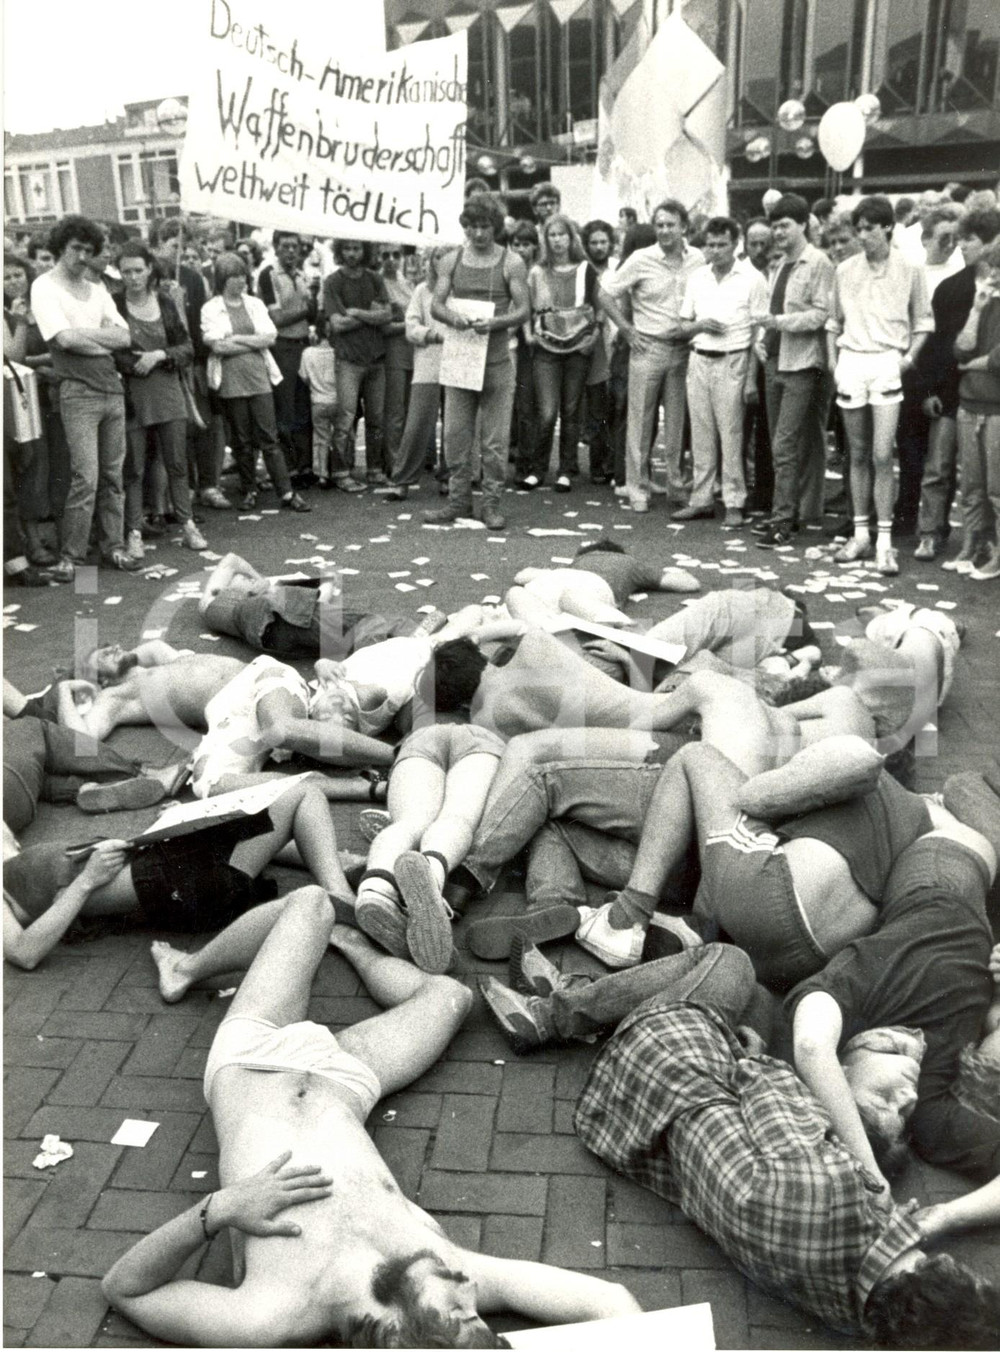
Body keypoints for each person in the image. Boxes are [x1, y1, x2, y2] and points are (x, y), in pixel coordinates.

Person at [102, 886, 641, 1346]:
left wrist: (217, 1210)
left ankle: (186, 967)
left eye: (459, 1315)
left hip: (254, 1058)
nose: (471, 1295)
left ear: (405, 1337)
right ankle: (358, 947)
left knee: (310, 903)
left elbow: (127, 1288)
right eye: (477, 1313)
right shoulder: (453, 1270)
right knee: (450, 995)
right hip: (346, 1080)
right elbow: (612, 1303)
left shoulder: (276, 1313)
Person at [572, 988, 1000, 1346]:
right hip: (630, 1131)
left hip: (663, 1053)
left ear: (946, 1272)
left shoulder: (834, 1189)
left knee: (736, 969)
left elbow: (760, 1075)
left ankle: (565, 1005)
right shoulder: (847, 1314)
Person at [2, 779, 356, 972]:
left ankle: (343, 869)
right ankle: (343, 896)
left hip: (166, 870)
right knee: (302, 795)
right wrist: (86, 881)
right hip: (173, 884)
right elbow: (23, 951)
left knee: (283, 803)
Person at [826, 196, 933, 577]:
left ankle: (885, 543)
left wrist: (905, 359)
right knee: (855, 453)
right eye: (859, 229)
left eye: (870, 228)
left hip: (888, 361)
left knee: (882, 454)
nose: (863, 235)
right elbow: (832, 323)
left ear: (888, 227)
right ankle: (860, 535)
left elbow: (923, 320)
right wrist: (834, 364)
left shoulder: (911, 268)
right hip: (852, 362)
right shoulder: (844, 270)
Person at [29, 214, 138, 579]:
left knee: (112, 476)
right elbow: (63, 340)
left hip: (111, 391)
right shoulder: (44, 287)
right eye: (76, 248)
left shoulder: (98, 289)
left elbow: (125, 337)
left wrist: (86, 338)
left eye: (89, 250)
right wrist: (100, 340)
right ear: (61, 247)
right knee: (85, 478)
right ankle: (72, 557)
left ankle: (114, 547)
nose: (81, 256)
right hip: (77, 392)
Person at [354, 722, 505, 974]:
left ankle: (376, 889)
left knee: (410, 823)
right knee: (458, 818)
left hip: (421, 738)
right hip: (484, 740)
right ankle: (431, 874)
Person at [425, 194, 530, 532]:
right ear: (465, 227)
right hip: (461, 356)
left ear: (495, 227)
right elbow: (436, 305)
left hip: (497, 358)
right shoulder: (452, 261)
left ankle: (491, 503)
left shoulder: (512, 262)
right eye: (473, 227)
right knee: (456, 434)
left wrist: (497, 323)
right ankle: (458, 501)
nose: (479, 234)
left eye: (485, 226)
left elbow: (524, 310)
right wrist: (452, 318)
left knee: (495, 439)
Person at [599, 200, 705, 513]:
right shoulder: (641, 259)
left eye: (671, 224)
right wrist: (627, 330)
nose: (664, 231)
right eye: (659, 225)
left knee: (676, 423)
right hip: (648, 347)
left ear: (684, 226)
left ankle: (675, 485)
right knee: (640, 422)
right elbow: (605, 294)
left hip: (683, 349)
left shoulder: (697, 259)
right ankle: (638, 488)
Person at [915, 208, 1000, 562]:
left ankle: (985, 541)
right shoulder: (951, 288)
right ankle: (931, 534)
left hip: (988, 396)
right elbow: (936, 348)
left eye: (969, 239)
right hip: (951, 393)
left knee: (986, 481)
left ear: (991, 242)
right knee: (938, 469)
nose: (961, 245)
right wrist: (929, 391)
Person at [114, 242, 207, 561]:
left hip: (168, 392)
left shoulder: (165, 302)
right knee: (134, 469)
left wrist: (159, 355)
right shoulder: (114, 304)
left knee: (176, 463)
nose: (133, 277)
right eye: (126, 271)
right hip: (132, 396)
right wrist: (132, 364)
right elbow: (113, 352)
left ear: (150, 269)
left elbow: (187, 347)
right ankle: (134, 531)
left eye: (138, 270)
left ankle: (188, 524)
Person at [674, 216, 768, 528]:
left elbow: (759, 333)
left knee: (731, 435)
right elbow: (682, 325)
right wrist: (701, 325)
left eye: (722, 244)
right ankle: (701, 500)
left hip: (734, 360)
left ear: (735, 244)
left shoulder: (752, 278)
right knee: (701, 435)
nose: (715, 250)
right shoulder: (698, 278)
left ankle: (734, 502)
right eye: (710, 245)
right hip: (699, 359)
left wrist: (752, 378)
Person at [753, 194, 835, 549]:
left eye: (785, 225)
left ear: (804, 224)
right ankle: (787, 513)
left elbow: (822, 314)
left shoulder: (817, 262)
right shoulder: (780, 264)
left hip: (802, 362)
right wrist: (763, 336)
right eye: (775, 226)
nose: (778, 232)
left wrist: (779, 322)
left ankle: (783, 520)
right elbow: (772, 309)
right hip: (774, 358)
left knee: (786, 442)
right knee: (779, 442)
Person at [201, 253, 309, 513]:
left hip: (258, 376)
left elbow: (269, 336)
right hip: (231, 379)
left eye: (242, 276)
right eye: (233, 277)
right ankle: (248, 488)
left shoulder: (255, 304)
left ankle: (286, 491)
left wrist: (236, 340)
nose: (239, 282)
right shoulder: (211, 308)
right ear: (222, 280)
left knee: (269, 435)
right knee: (241, 439)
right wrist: (249, 339)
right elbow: (215, 343)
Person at [198, 551, 440, 658]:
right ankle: (429, 643)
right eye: (241, 579)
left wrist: (266, 585)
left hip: (274, 633)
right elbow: (231, 560)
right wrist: (260, 580)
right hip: (271, 617)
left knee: (345, 636)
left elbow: (327, 587)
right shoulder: (212, 599)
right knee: (366, 623)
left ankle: (414, 646)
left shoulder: (246, 602)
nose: (245, 578)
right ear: (227, 587)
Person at [525, 215, 601, 493]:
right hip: (545, 347)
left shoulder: (585, 269)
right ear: (545, 240)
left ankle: (566, 470)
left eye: (562, 234)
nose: (557, 240)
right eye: (551, 235)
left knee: (571, 410)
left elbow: (600, 306)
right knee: (546, 411)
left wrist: (594, 337)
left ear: (571, 237)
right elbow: (525, 306)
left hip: (578, 347)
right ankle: (537, 469)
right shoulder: (536, 272)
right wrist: (527, 334)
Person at [378, 246, 448, 501]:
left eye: (449, 257)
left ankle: (448, 477)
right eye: (438, 257)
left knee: (453, 424)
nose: (443, 262)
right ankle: (402, 479)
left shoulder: (463, 292)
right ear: (430, 262)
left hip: (457, 364)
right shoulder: (422, 291)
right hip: (428, 361)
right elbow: (411, 326)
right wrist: (430, 335)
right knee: (417, 422)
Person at [323, 238, 391, 492]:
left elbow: (386, 315)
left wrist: (357, 313)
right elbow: (337, 324)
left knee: (376, 419)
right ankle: (341, 471)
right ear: (340, 251)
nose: (352, 253)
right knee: (345, 417)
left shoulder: (374, 279)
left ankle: (374, 469)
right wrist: (370, 315)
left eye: (357, 248)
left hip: (376, 359)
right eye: (347, 249)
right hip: (348, 359)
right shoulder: (333, 282)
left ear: (365, 250)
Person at [950, 241, 1000, 581]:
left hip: (997, 409)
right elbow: (960, 349)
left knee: (997, 488)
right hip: (969, 405)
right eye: (990, 271)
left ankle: (996, 554)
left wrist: (969, 366)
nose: (992, 277)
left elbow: (998, 361)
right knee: (971, 485)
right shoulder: (983, 305)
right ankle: (971, 545)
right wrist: (977, 310)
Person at [256, 231, 315, 483]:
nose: (291, 251)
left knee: (304, 406)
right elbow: (276, 318)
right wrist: (307, 311)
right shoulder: (269, 274)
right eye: (286, 246)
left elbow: (310, 314)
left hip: (304, 345)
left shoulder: (303, 275)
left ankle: (304, 465)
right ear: (276, 248)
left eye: (295, 246)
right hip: (283, 346)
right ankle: (288, 467)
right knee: (286, 408)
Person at [580, 219, 616, 484]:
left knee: (616, 404)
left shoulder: (618, 268)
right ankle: (598, 464)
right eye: (594, 242)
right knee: (596, 405)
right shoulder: (583, 270)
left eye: (603, 242)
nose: (599, 247)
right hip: (591, 340)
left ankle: (614, 462)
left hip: (616, 337)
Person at [379, 243, 415, 486]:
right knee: (395, 412)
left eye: (396, 255)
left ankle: (410, 461)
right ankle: (394, 464)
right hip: (394, 351)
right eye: (385, 255)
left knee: (412, 409)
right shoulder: (379, 283)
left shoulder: (407, 280)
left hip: (415, 350)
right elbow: (385, 326)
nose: (391, 260)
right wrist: (411, 325)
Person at [297, 325, 337, 488]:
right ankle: (341, 469)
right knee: (341, 435)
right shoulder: (337, 352)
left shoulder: (307, 353)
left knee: (321, 439)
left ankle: (322, 474)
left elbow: (304, 377)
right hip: (337, 399)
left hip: (318, 401)